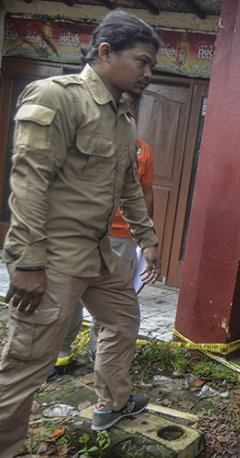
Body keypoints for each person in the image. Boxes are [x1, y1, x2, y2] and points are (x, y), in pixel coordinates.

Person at [0, 11, 162, 458]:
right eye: (142, 61)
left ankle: (111, 404)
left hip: (98, 253)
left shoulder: (122, 115)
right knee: (25, 368)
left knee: (123, 319)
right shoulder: (57, 97)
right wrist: (27, 264)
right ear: (106, 52)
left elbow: (130, 187)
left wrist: (147, 239)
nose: (148, 72)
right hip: (53, 257)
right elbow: (28, 184)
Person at [59, 91, 156, 364]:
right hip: (81, 232)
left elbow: (144, 193)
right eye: (120, 101)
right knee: (71, 294)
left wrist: (147, 237)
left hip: (123, 237)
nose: (126, 109)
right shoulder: (79, 138)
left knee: (114, 301)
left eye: (131, 104)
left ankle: (100, 356)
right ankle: (61, 353)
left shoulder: (141, 150)